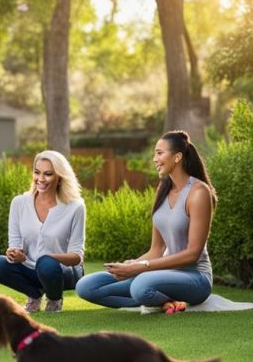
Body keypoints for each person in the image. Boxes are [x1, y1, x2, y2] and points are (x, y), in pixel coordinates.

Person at [75, 130, 217, 313]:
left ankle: (153, 296)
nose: (154, 159)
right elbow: (157, 249)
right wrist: (131, 265)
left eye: (160, 153)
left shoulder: (198, 192)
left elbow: (192, 254)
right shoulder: (163, 188)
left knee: (141, 284)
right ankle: (162, 301)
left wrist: (141, 267)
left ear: (177, 157)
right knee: (86, 286)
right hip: (160, 275)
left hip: (196, 278)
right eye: (154, 154)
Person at [0, 150, 86, 313]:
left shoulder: (75, 207)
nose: (40, 179)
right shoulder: (19, 203)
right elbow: (15, 243)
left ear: (60, 177)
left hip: (61, 272)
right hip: (30, 269)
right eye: (37, 172)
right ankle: (34, 295)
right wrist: (16, 254)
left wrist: (48, 258)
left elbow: (77, 257)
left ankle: (54, 299)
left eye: (48, 174)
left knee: (46, 264)